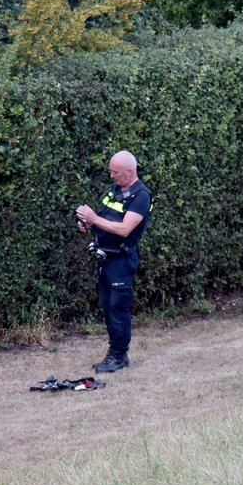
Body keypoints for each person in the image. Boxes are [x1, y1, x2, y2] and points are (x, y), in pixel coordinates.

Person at [75, 150, 152, 373]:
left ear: (129, 172)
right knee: (108, 308)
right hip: (106, 257)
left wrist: (94, 219)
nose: (111, 176)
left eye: (115, 172)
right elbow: (105, 219)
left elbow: (125, 228)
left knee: (118, 308)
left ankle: (118, 356)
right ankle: (114, 353)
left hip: (121, 259)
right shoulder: (114, 191)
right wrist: (89, 225)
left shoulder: (141, 196)